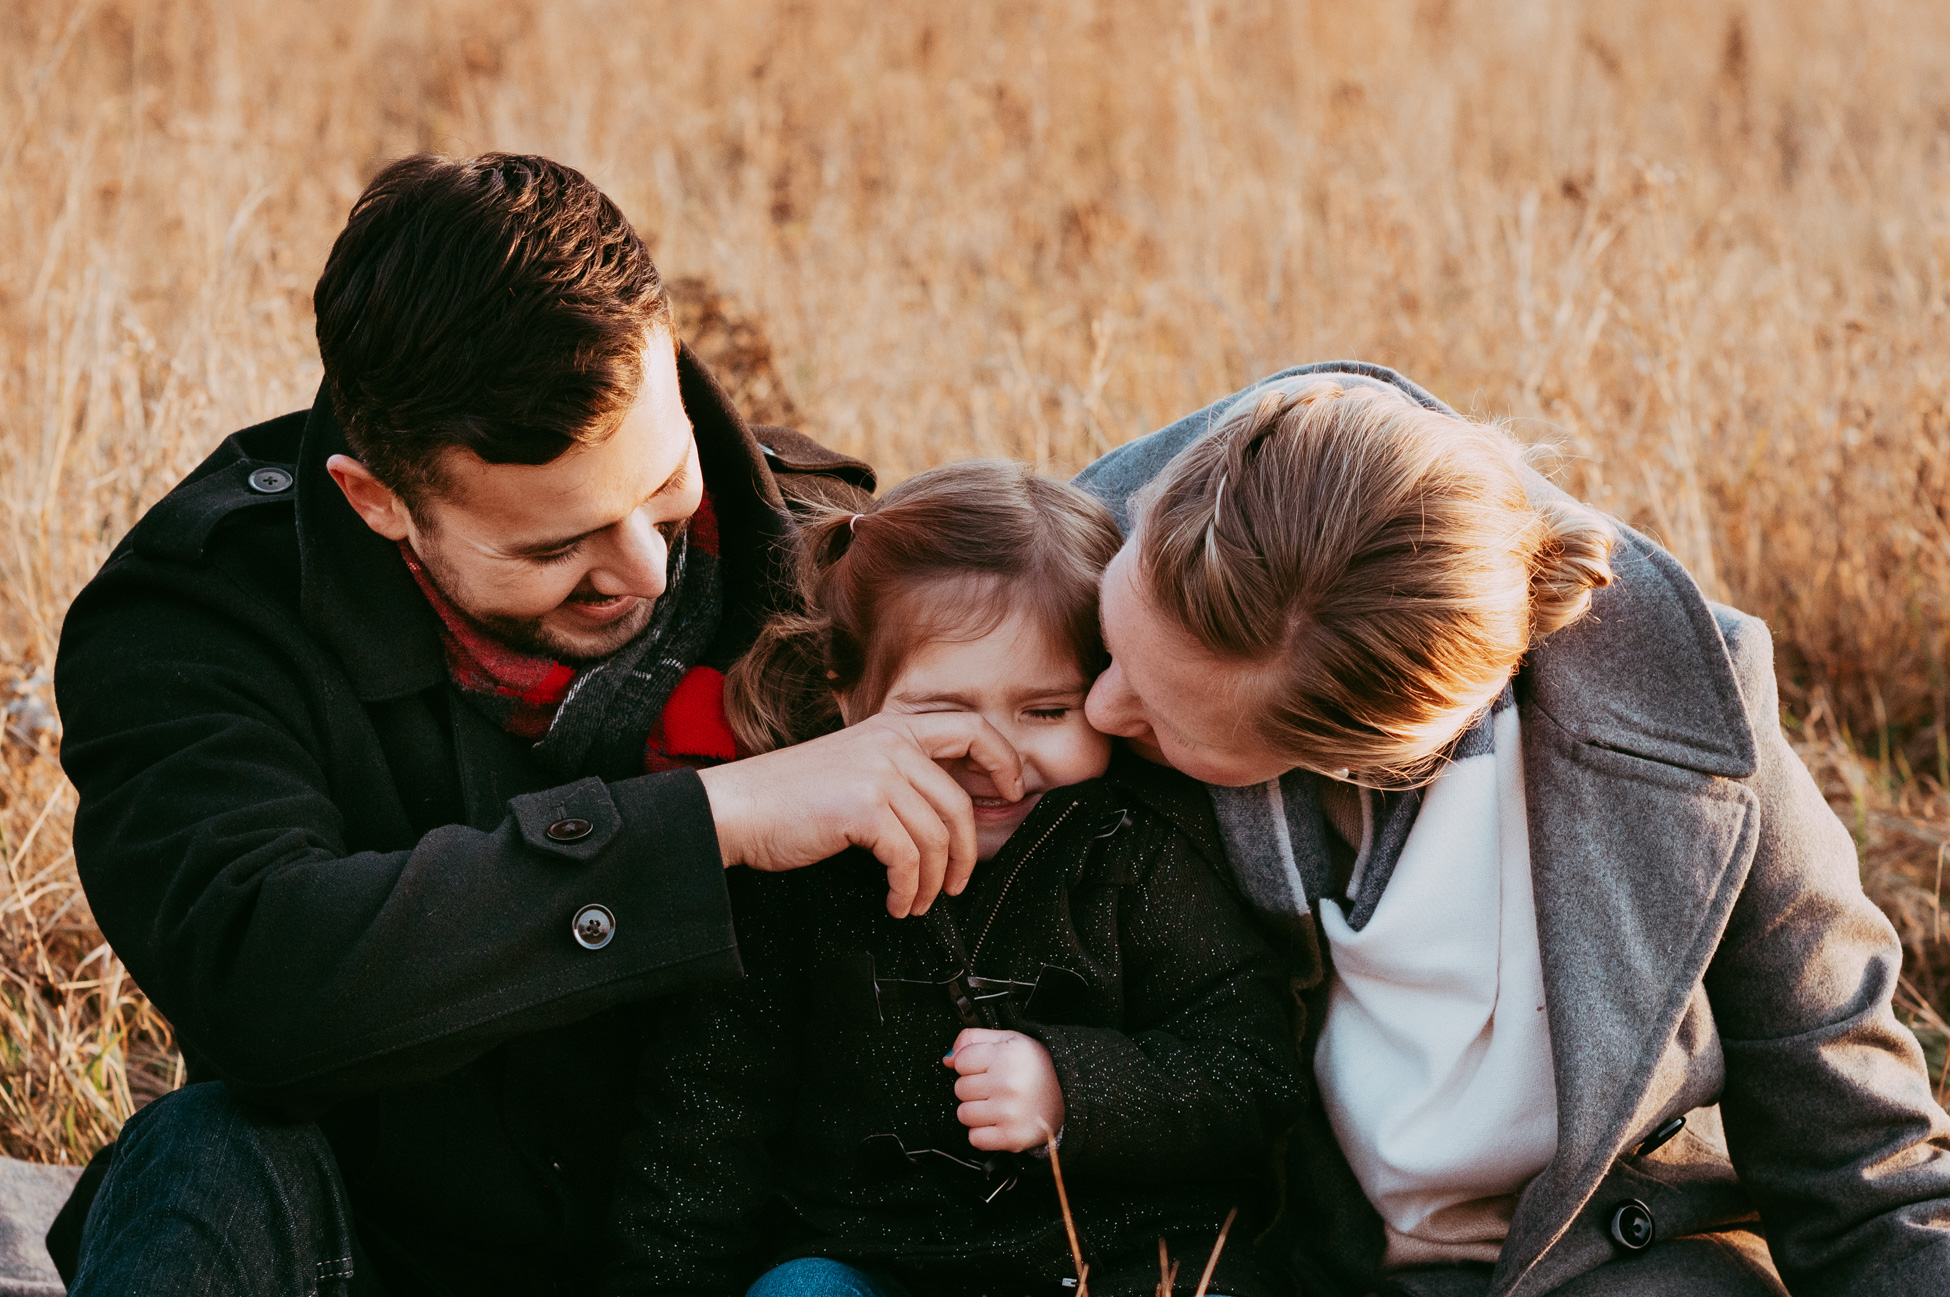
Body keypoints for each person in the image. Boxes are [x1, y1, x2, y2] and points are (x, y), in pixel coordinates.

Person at [49, 153, 1028, 1296]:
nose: (646, 572)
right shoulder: (203, 617)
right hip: (381, 1250)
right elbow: (262, 980)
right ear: (381, 503)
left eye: (665, 486)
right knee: (206, 1153)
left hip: (740, 1250)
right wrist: (708, 822)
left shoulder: (835, 562)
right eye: (555, 546)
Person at [1072, 364, 1950, 1296]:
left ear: (1366, 753)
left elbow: (1861, 1162)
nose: (1094, 707)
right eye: (1105, 640)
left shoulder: (1695, 719)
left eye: (1165, 726)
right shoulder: (1089, 559)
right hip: (1268, 1263)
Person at [602, 461, 1304, 1297]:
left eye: (1048, 711)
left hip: (1120, 1258)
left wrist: (1075, 1089)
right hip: (875, 1260)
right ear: (851, 702)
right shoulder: (789, 872)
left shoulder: (1138, 850)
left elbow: (1251, 1070)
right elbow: (703, 1122)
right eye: (941, 712)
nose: (997, 759)